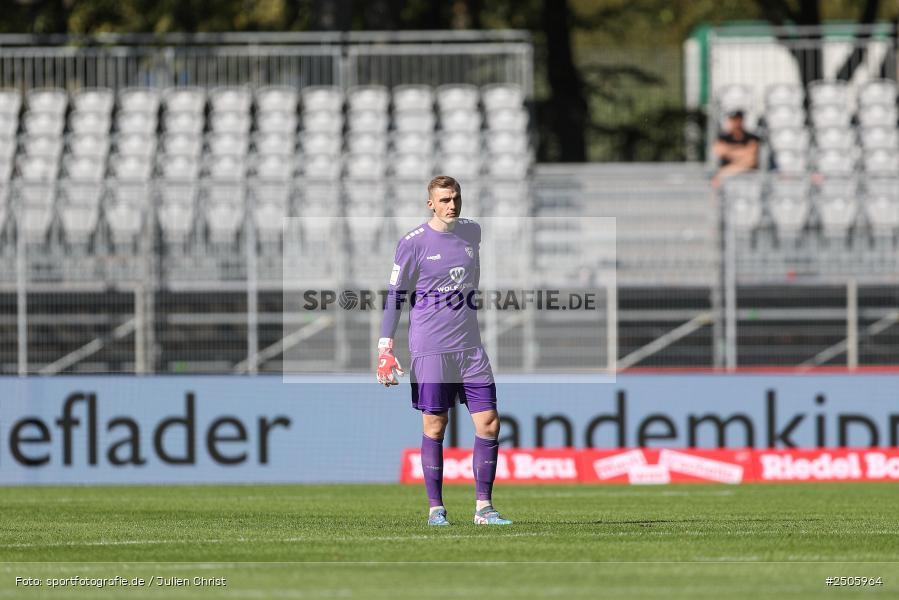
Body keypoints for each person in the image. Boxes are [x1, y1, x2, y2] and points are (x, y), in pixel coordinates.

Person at [376, 175, 512, 527]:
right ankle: (436, 508)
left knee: (489, 422)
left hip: (470, 347)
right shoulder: (413, 243)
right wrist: (385, 346)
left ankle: (484, 507)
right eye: (445, 200)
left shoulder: (472, 232)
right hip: (431, 347)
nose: (452, 205)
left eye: (456, 198)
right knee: (435, 425)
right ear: (431, 204)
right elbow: (395, 296)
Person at [712, 109, 759, 187]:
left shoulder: (752, 138)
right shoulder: (722, 137)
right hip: (727, 182)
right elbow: (720, 151)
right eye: (733, 119)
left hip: (748, 179)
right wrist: (742, 152)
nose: (736, 122)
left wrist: (725, 172)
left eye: (738, 119)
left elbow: (751, 159)